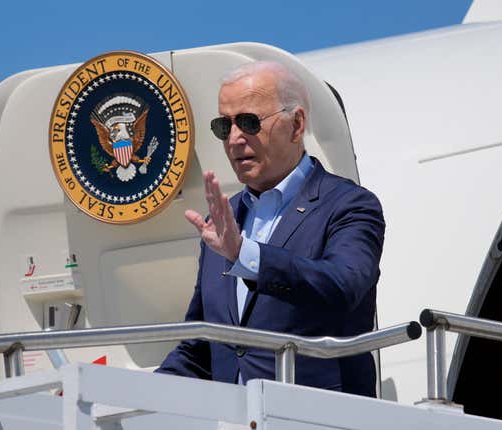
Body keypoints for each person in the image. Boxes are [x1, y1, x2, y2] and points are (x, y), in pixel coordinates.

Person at [157, 61, 385, 397]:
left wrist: (245, 256)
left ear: (296, 125)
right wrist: (116, 392)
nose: (234, 139)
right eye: (224, 126)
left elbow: (343, 288)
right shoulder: (224, 218)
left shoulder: (349, 205)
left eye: (249, 122)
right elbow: (202, 349)